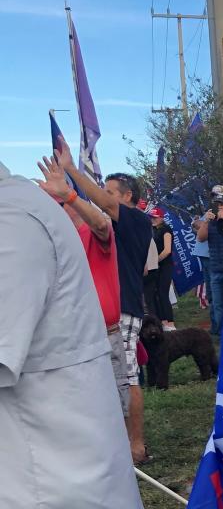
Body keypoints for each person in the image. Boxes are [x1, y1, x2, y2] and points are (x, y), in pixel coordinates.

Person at [0, 159, 155, 509]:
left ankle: (137, 441)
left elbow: (104, 224)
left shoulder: (13, 219)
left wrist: (70, 188)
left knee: (132, 382)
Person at [56, 140, 153, 465]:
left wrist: (71, 171)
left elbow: (96, 207)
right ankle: (118, 441)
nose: (102, 197)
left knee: (128, 377)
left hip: (123, 308)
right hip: (108, 311)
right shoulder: (112, 229)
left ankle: (135, 445)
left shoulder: (136, 220)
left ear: (127, 197)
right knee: (114, 378)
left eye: (110, 192)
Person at [35, 152, 130, 417]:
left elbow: (102, 224)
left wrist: (69, 194)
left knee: (116, 410)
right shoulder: (51, 245)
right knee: (86, 414)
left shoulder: (91, 232)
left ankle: (124, 456)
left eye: (59, 206)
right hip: (71, 340)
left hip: (105, 336)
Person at [195, 184, 223, 336]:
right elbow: (200, 238)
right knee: (217, 305)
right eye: (217, 204)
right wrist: (205, 222)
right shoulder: (211, 219)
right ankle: (222, 333)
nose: (220, 207)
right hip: (215, 269)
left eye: (222, 204)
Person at [146, 207, 175, 329]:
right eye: (151, 217)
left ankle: (170, 322)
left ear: (161, 218)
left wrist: (155, 260)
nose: (153, 219)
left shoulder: (166, 229)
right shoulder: (152, 230)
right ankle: (162, 321)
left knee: (163, 293)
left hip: (165, 265)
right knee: (156, 293)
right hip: (156, 267)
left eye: (155, 217)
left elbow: (167, 250)